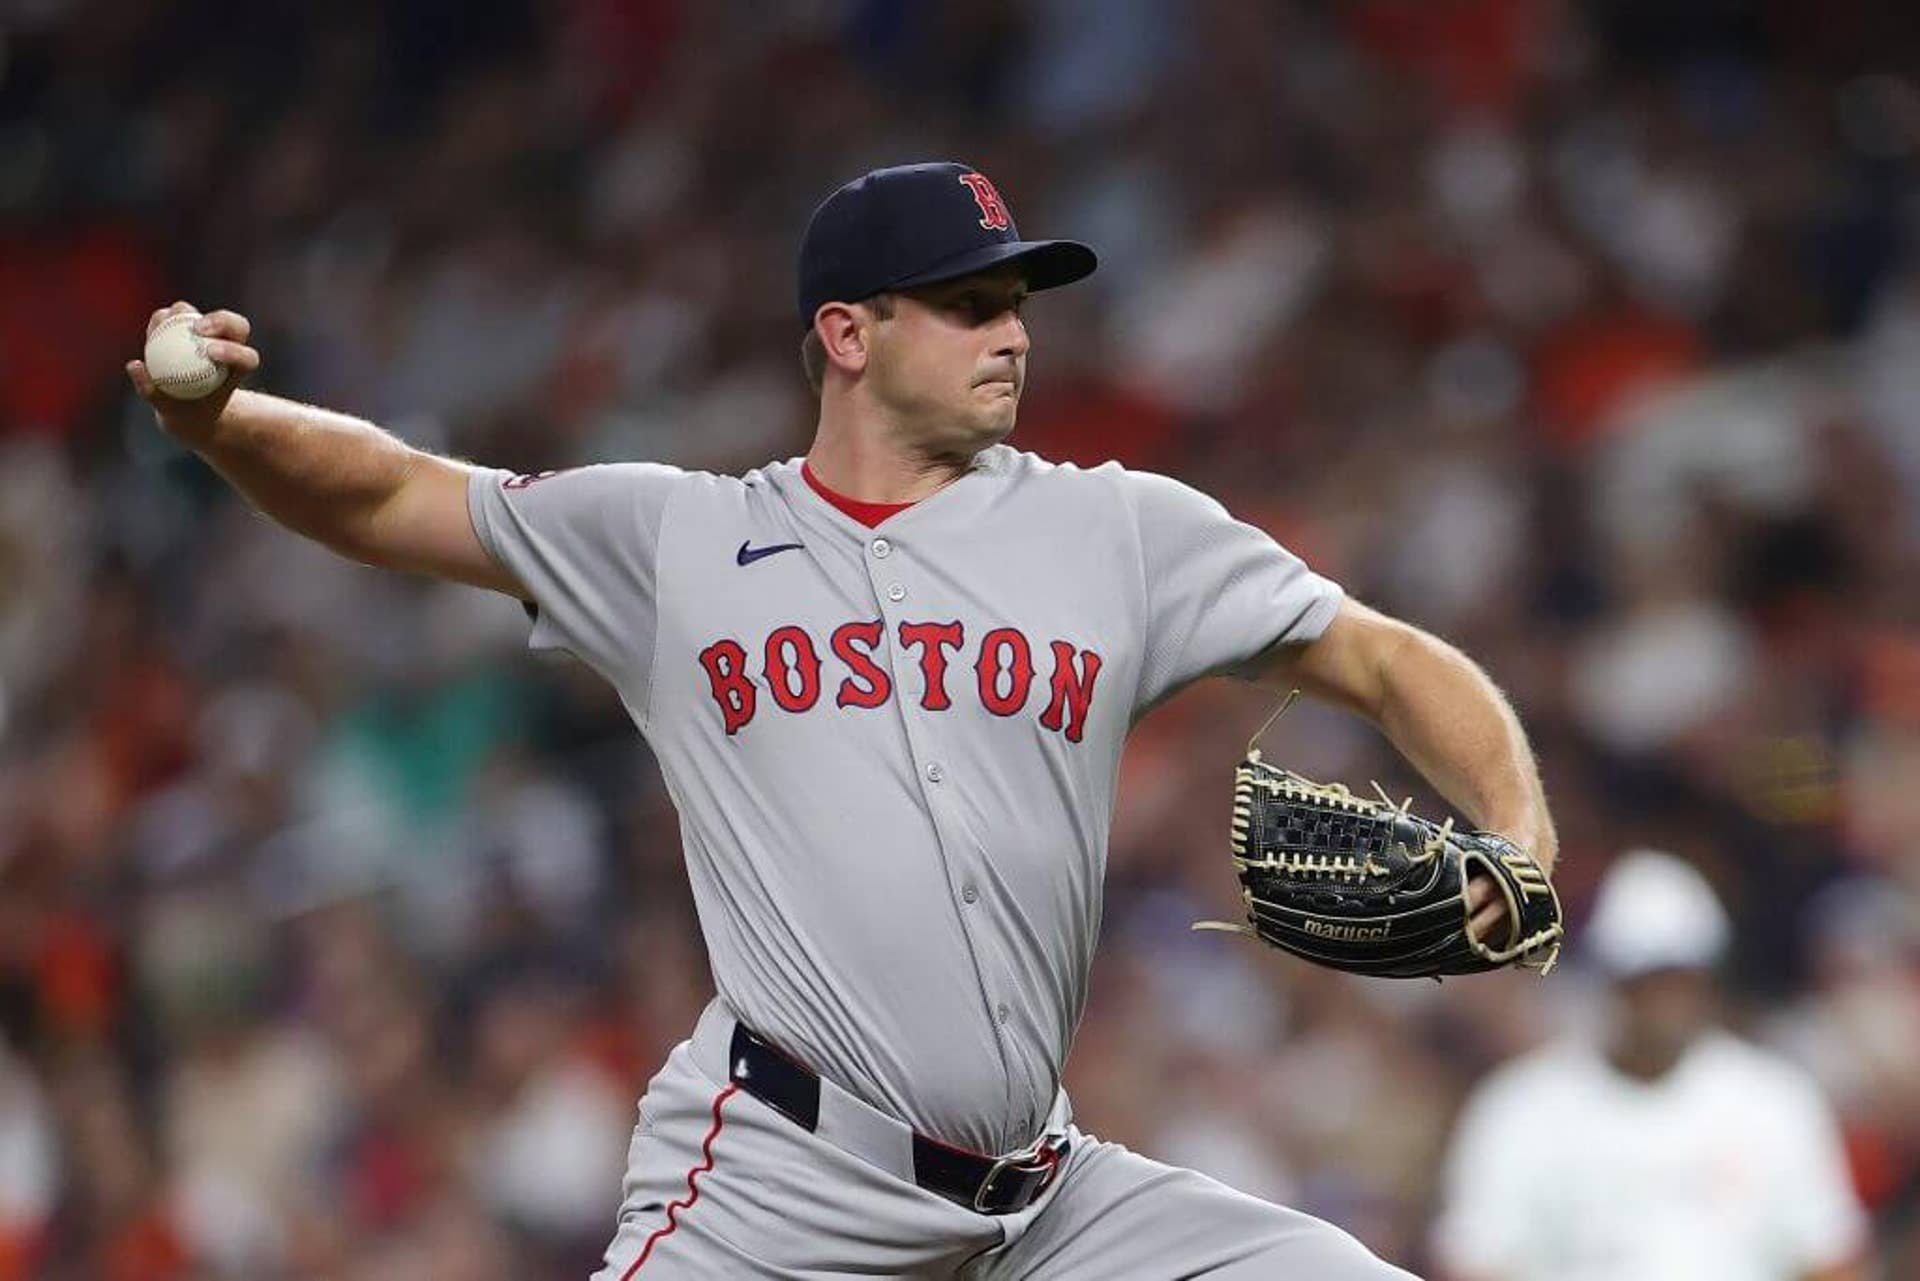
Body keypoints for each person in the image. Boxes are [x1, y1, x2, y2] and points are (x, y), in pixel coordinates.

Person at [129, 161, 1556, 1279]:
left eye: (1017, 303)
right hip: (780, 1189)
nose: (1014, 334)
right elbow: (392, 492)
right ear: (849, 333)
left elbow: (1382, 660)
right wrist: (219, 426)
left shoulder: (1119, 531)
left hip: (1045, 1207)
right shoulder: (680, 543)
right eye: (970, 305)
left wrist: (1518, 832)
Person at [1431, 848, 1871, 1281]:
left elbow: (1831, 1258)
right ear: (1609, 982)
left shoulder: (1772, 1102)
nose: (1663, 1002)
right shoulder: (1523, 1108)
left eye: (1678, 979)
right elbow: (1474, 1260)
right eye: (1645, 981)